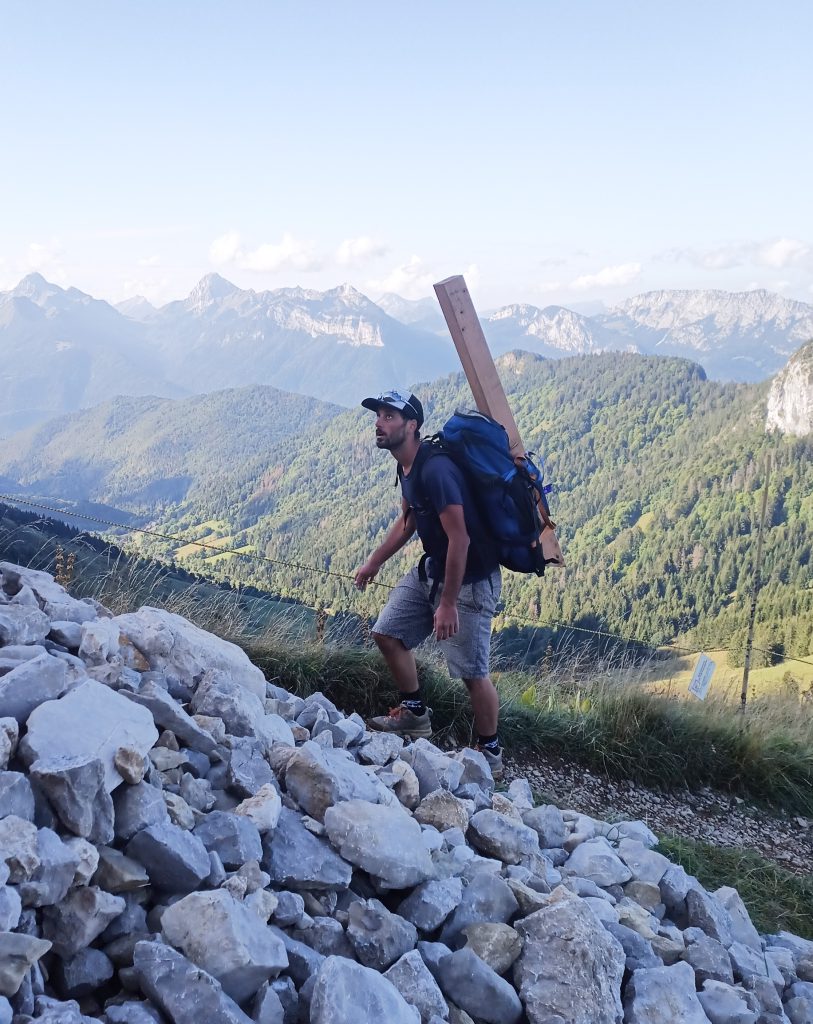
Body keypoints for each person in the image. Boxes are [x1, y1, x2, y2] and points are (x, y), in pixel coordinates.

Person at [354, 388, 504, 776]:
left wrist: (448, 603)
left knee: (473, 672)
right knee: (387, 633)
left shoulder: (436, 470)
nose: (379, 423)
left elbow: (461, 538)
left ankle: (490, 753)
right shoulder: (406, 467)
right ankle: (415, 714)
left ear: (412, 425)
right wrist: (374, 562)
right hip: (433, 571)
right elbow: (409, 521)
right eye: (378, 415)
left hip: (470, 581)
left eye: (389, 416)